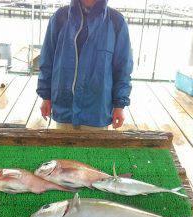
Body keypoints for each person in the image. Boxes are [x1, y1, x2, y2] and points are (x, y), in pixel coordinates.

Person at [37, 0, 133, 130]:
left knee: (94, 151)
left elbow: (123, 68)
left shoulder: (116, 21)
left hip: (97, 111)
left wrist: (119, 105)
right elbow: (47, 60)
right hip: (64, 109)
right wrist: (46, 97)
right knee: (62, 149)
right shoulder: (60, 17)